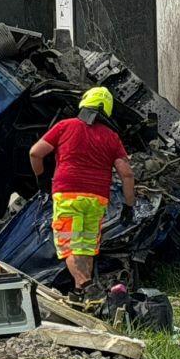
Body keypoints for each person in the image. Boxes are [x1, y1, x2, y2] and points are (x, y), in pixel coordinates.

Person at [28, 86, 135, 298]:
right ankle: (80, 296)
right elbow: (127, 175)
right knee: (85, 248)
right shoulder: (112, 137)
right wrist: (129, 206)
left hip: (68, 196)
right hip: (97, 200)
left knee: (70, 246)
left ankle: (88, 288)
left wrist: (40, 179)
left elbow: (35, 152)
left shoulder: (65, 126)